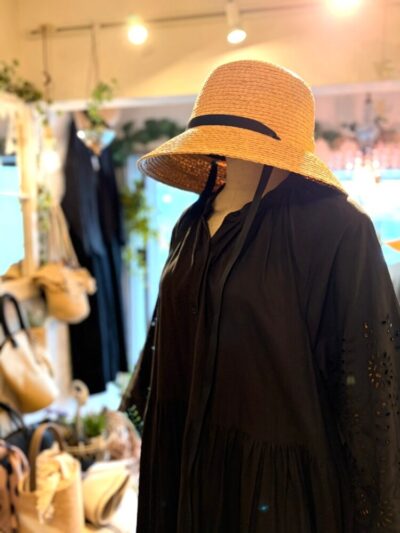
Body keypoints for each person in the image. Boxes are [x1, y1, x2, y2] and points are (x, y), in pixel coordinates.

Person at [120, 60, 400, 532]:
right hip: (182, 464)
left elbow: (370, 391)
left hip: (277, 492)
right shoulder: (190, 224)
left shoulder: (338, 229)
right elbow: (167, 340)